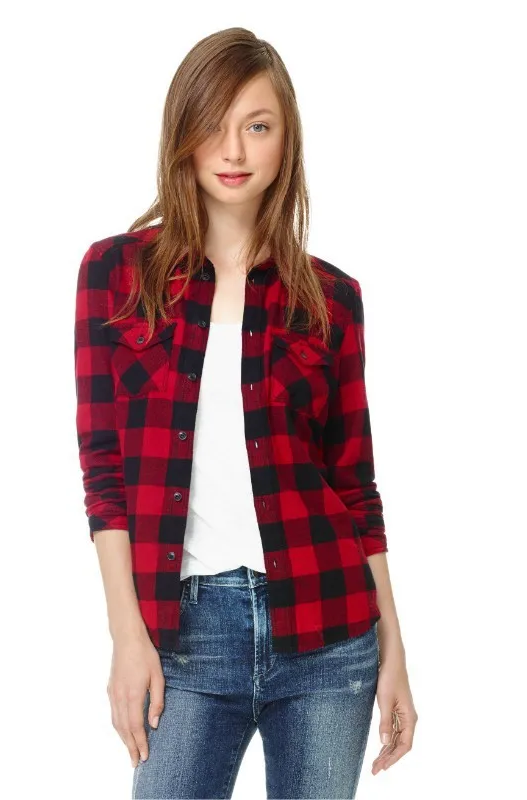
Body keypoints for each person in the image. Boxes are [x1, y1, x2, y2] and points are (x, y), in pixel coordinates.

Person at [74, 26, 418, 800]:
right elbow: (104, 472)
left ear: (285, 140)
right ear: (182, 133)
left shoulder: (331, 299)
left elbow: (354, 486)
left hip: (330, 635)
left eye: (257, 126)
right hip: (182, 636)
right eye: (213, 124)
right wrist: (127, 635)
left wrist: (394, 648)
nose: (233, 150)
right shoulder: (115, 274)